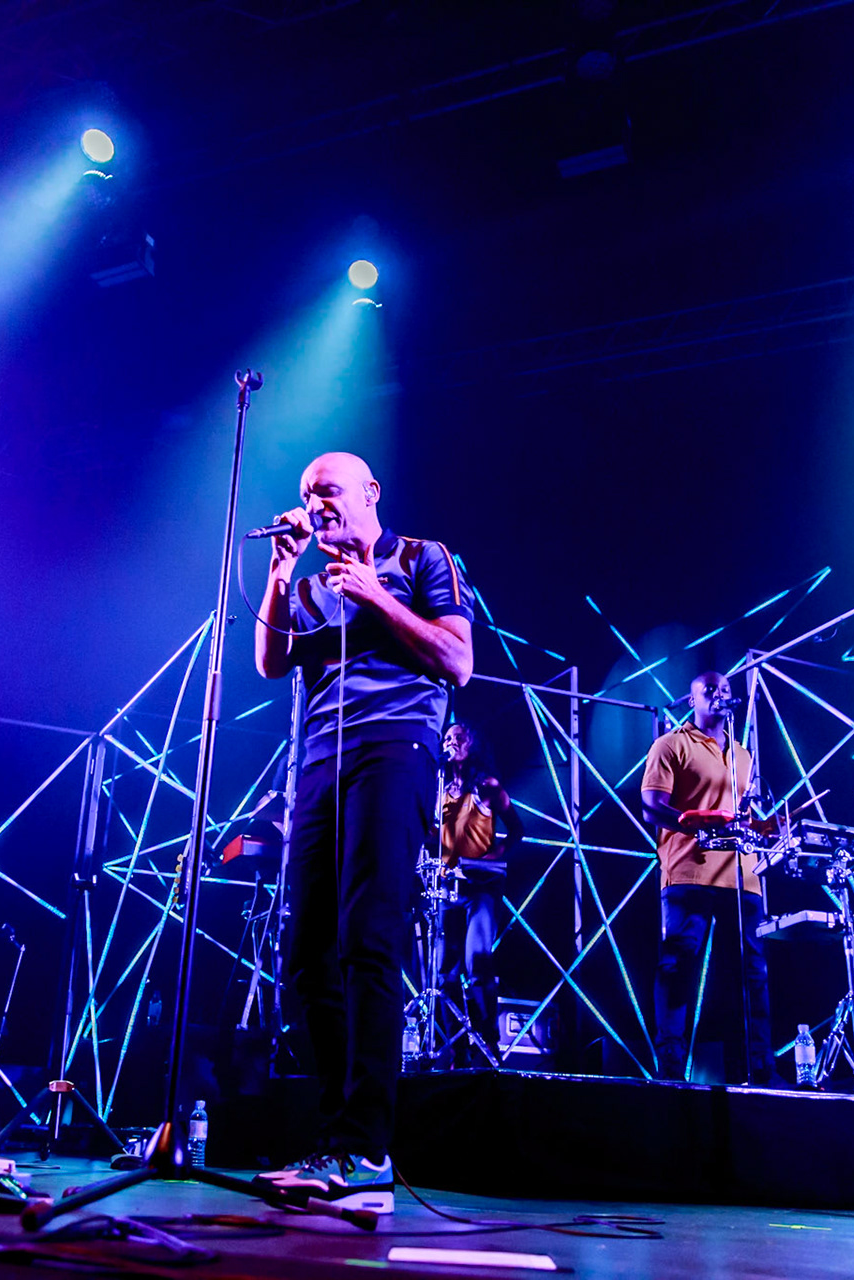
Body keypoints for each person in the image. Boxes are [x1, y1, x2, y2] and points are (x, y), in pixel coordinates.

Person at [252, 451, 473, 1214]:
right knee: (305, 953)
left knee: (368, 938)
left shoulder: (424, 559)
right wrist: (281, 576)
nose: (319, 505)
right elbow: (271, 663)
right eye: (308, 495)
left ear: (371, 493)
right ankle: (336, 1137)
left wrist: (376, 595)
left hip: (397, 744)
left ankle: (367, 1145)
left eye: (331, 491)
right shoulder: (308, 586)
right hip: (320, 758)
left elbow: (458, 659)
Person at [640, 670, 771, 1085]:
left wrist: (768, 828)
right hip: (689, 873)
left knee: (752, 973)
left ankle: (759, 1067)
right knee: (678, 967)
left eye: (726, 690)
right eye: (710, 690)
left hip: (742, 878)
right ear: (691, 699)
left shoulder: (743, 755)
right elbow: (651, 806)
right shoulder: (670, 745)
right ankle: (671, 1070)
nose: (720, 696)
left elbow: (744, 817)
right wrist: (695, 825)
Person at [437, 721, 522, 1065]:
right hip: (447, 885)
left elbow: (517, 829)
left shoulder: (487, 787)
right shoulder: (439, 789)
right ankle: (456, 1049)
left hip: (482, 886)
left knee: (477, 963)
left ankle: (487, 1044)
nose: (451, 742)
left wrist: (495, 855)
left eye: (459, 738)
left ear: (473, 745)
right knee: (443, 972)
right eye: (447, 738)